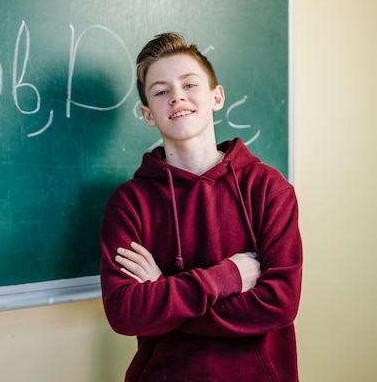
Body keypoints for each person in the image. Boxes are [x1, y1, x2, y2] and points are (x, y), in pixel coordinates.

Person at [99, 32, 302, 381]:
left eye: (189, 84)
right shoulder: (129, 204)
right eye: (161, 91)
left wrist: (164, 294)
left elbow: (280, 304)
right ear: (148, 114)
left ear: (216, 96)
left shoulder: (269, 189)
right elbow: (125, 312)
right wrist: (228, 277)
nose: (177, 96)